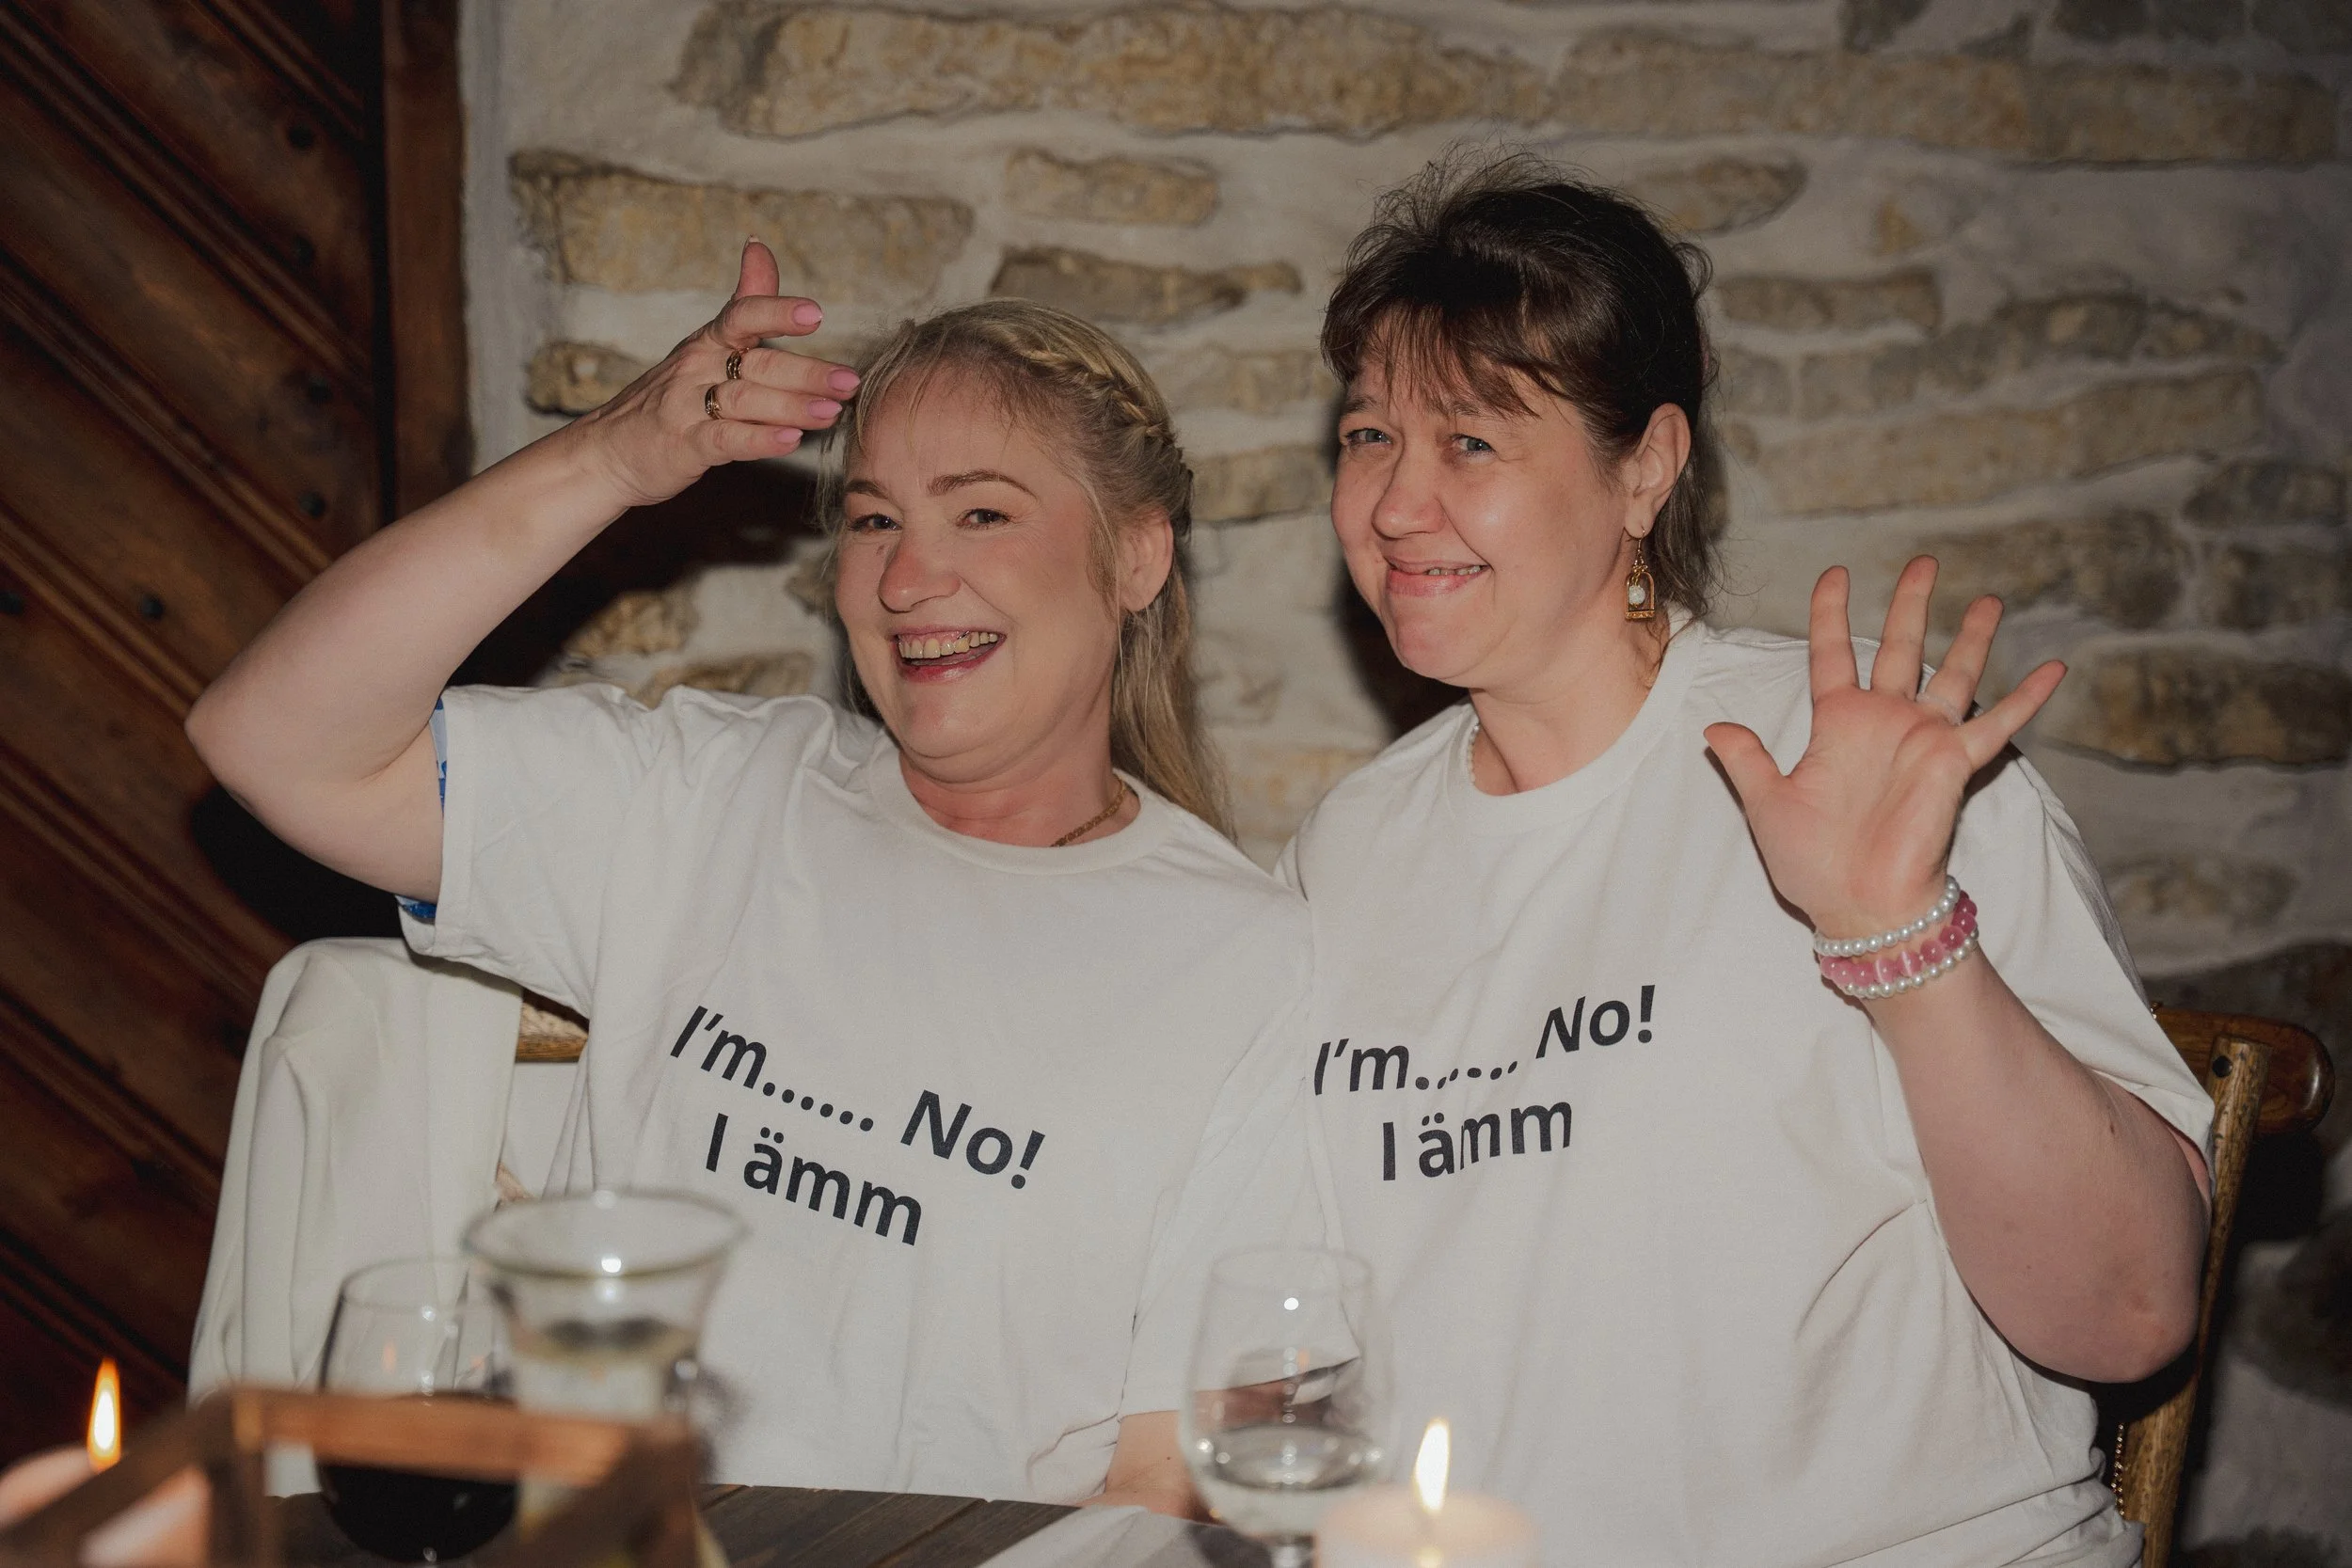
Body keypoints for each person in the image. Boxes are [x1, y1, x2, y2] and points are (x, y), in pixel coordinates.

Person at [184, 244, 1319, 1509]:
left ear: (1137, 558)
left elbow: (1161, 1476)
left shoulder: (1248, 968)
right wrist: (611, 459)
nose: (906, 580)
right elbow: (271, 741)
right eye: (875, 519)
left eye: (982, 513)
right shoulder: (713, 794)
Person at [1280, 155, 2215, 1564]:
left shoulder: (1860, 757)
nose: (1397, 503)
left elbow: (2130, 1312)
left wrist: (1897, 929)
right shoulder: (1349, 850)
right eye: (1368, 437)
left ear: (1646, 468)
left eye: (1470, 441)